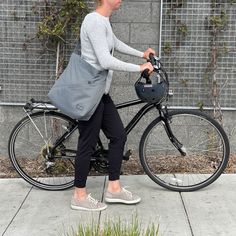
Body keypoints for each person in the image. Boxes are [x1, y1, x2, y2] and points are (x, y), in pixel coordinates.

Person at [71, 0, 155, 211]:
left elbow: (115, 43)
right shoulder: (94, 21)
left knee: (118, 136)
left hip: (102, 93)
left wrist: (141, 54)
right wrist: (139, 67)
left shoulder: (104, 21)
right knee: (87, 144)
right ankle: (79, 195)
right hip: (90, 93)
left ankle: (114, 189)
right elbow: (105, 61)